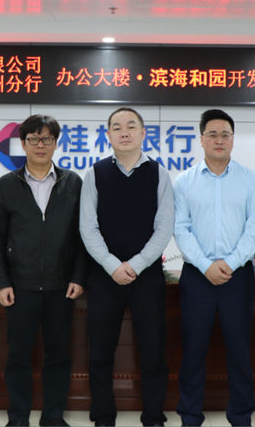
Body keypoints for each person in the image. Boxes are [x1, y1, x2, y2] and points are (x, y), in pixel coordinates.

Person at [0, 114, 88, 427]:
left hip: (61, 287)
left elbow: (83, 235)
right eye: (33, 139)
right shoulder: (6, 185)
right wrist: (0, 282)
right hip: (20, 287)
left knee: (58, 356)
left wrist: (78, 276)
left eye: (47, 139)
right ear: (23, 144)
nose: (40, 145)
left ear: (56, 143)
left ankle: (53, 416)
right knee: (18, 356)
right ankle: (18, 417)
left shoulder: (73, 182)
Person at [79, 107, 174, 427]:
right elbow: (87, 227)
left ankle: (153, 415)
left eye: (131, 126)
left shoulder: (159, 174)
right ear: (108, 135)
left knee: (153, 350)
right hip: (104, 276)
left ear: (143, 133)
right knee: (100, 352)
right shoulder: (95, 173)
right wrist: (111, 266)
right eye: (117, 127)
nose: (124, 132)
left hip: (147, 276)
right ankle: (103, 416)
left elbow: (164, 228)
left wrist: (135, 265)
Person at [172, 109, 255, 427]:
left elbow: (254, 228)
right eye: (212, 134)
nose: (219, 140)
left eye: (225, 134)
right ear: (201, 139)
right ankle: (190, 415)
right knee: (193, 349)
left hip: (238, 276)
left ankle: (241, 415)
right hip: (197, 277)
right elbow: (181, 228)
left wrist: (231, 262)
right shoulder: (184, 181)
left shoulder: (250, 179)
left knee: (239, 349)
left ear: (233, 140)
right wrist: (206, 265)